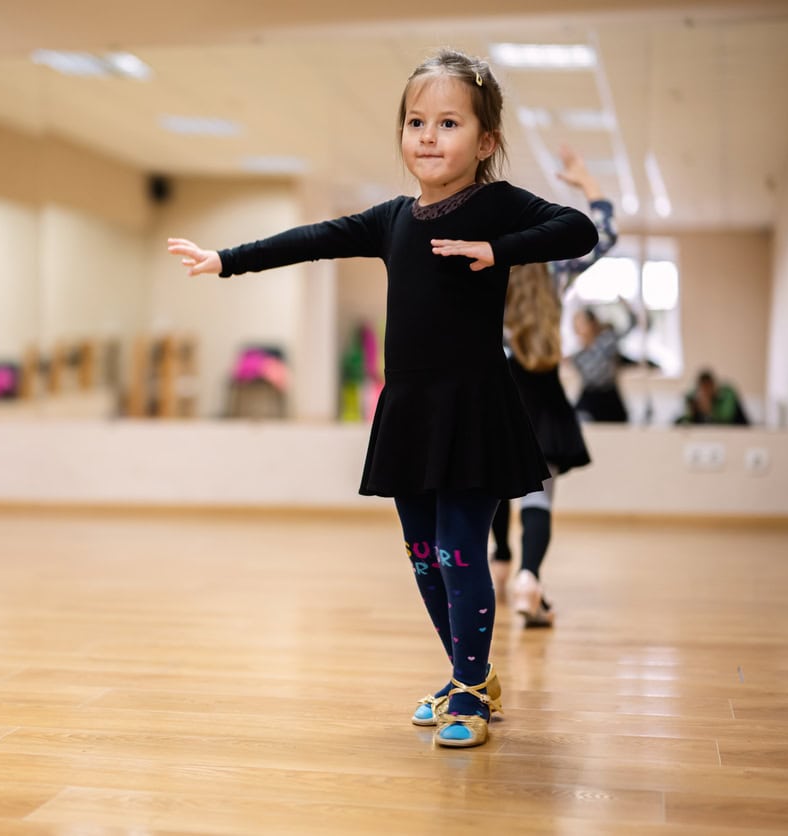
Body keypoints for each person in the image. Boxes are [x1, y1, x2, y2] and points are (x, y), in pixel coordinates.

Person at [168, 49, 597, 748]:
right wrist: (227, 260)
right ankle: (468, 672)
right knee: (425, 554)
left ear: (485, 142)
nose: (427, 136)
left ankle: (470, 689)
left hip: (475, 410)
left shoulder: (495, 204)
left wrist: (499, 247)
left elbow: (576, 228)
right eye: (415, 121)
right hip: (411, 412)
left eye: (448, 122)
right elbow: (312, 239)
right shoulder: (393, 218)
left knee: (462, 549)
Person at [490, 146, 618, 627]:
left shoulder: (486, 269)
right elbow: (604, 236)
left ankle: (500, 559)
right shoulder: (554, 270)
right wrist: (588, 185)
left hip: (499, 392)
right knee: (538, 495)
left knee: (497, 485)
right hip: (541, 393)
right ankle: (528, 577)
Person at [570, 298, 638, 423]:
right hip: (589, 398)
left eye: (581, 323)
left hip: (609, 396)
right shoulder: (577, 356)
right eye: (576, 324)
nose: (578, 328)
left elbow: (633, 324)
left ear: (591, 324)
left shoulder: (606, 341)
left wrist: (625, 304)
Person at [675, 369, 750, 425]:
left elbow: (726, 419)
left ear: (713, 385)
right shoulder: (693, 397)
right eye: (703, 388)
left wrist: (709, 410)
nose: (706, 391)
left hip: (738, 431)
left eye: (708, 387)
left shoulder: (727, 394)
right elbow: (686, 419)